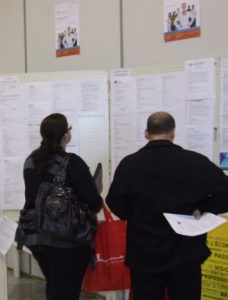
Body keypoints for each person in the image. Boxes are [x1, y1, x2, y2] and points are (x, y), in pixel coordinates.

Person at [106, 112, 228, 300]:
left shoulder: (130, 164)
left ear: (146, 133)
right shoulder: (196, 161)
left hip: (144, 251)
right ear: (172, 133)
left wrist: (136, 215)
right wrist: (203, 207)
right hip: (185, 252)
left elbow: (115, 202)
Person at [19, 113, 103, 300]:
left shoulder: (30, 161)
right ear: (66, 136)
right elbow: (93, 203)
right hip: (65, 239)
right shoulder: (73, 163)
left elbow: (31, 196)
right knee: (66, 290)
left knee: (55, 285)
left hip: (35, 235)